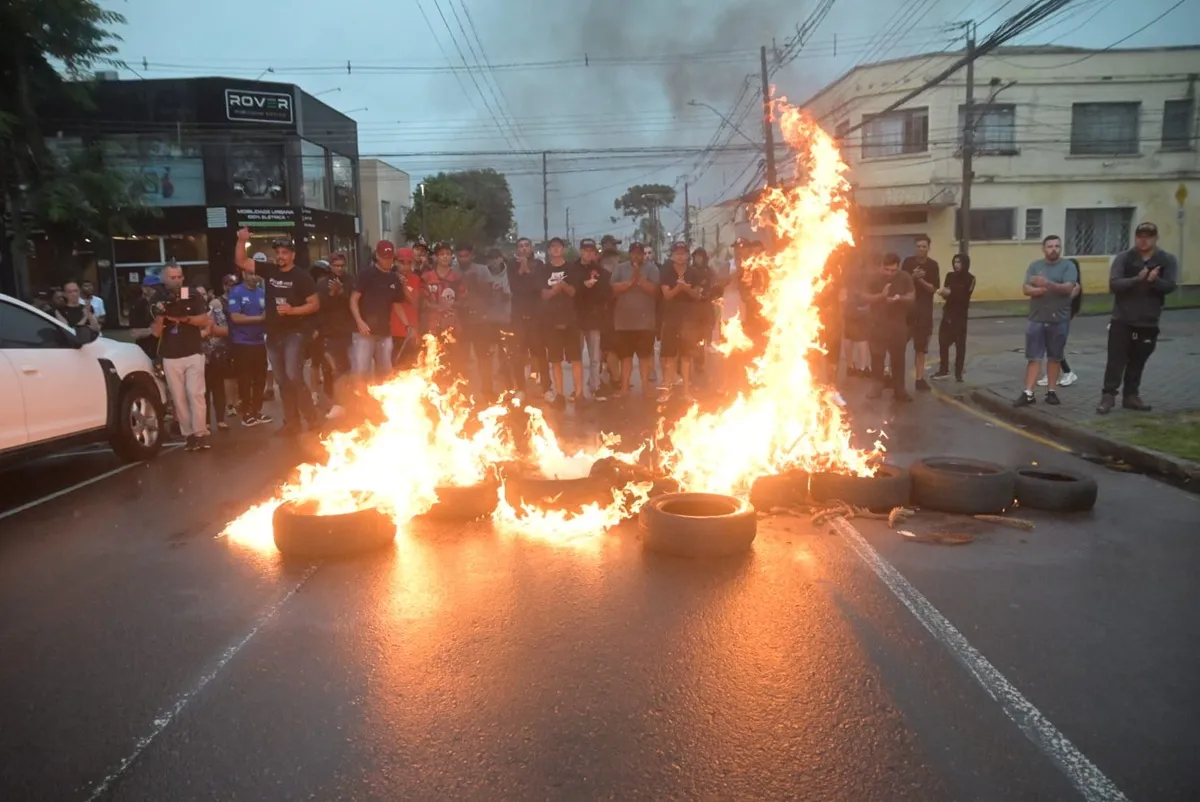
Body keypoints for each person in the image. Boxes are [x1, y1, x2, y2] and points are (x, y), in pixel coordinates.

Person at [232, 229, 321, 435]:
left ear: (293, 255)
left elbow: (314, 304)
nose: (280, 256)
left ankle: (312, 418)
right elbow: (242, 262)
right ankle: (291, 423)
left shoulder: (302, 276)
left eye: (285, 252)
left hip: (295, 333)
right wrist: (241, 240)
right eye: (278, 252)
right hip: (273, 334)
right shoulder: (270, 270)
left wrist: (293, 310)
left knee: (293, 375)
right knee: (282, 380)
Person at [1096, 221, 1179, 414]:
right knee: (1116, 360)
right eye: (1140, 236)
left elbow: (1170, 286)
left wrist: (1154, 281)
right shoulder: (1125, 258)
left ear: (1156, 238)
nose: (1144, 240)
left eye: (1148, 237)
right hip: (1122, 319)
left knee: (1138, 360)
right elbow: (1115, 284)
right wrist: (1137, 279)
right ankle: (1108, 396)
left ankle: (1131, 396)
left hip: (1148, 320)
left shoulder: (1166, 259)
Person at [153, 262, 211, 450]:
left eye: (179, 277)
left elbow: (204, 319)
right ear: (164, 278)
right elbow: (155, 332)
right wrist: (161, 315)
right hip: (170, 354)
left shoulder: (191, 294)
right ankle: (189, 435)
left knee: (196, 393)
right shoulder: (158, 297)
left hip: (193, 350)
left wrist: (184, 319)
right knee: (179, 398)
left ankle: (201, 432)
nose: (177, 281)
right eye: (172, 277)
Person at [1015, 235, 1077, 408]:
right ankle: (1028, 392)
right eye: (1050, 246)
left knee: (1055, 357)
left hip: (1059, 319)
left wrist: (1047, 284)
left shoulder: (1068, 266)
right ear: (1043, 249)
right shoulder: (1035, 266)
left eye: (1057, 246)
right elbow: (1026, 288)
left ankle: (1051, 391)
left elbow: (1068, 288)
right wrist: (1037, 290)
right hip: (1037, 318)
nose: (1053, 249)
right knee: (1034, 356)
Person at [536, 236, 583, 405]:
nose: (556, 249)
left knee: (576, 358)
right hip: (551, 321)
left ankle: (579, 394)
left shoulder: (571, 268)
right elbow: (544, 294)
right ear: (549, 250)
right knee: (555, 360)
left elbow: (574, 292)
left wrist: (564, 287)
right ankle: (560, 394)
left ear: (563, 249)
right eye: (553, 246)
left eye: (559, 246)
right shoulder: (543, 270)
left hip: (571, 320)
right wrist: (557, 288)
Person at [610, 242, 659, 397]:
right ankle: (624, 388)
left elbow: (655, 290)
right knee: (625, 357)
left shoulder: (652, 268)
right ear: (629, 254)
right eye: (634, 253)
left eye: (639, 253)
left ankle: (645, 387)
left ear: (643, 254)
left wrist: (639, 280)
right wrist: (630, 282)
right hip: (624, 322)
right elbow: (612, 288)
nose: (636, 256)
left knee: (644, 357)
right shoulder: (620, 268)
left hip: (645, 322)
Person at [350, 240, 405, 379]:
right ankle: (358, 393)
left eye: (390, 258)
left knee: (386, 371)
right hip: (364, 332)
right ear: (377, 256)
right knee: (361, 371)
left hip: (384, 332)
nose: (388, 261)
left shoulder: (394, 278)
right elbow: (353, 299)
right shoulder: (366, 274)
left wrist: (407, 324)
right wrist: (359, 321)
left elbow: (397, 304)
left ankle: (382, 393)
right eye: (384, 257)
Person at [865, 253, 915, 402]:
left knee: (898, 359)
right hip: (877, 324)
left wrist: (900, 298)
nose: (889, 273)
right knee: (877, 357)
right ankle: (876, 388)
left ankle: (899, 390)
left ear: (898, 267)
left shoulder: (905, 277)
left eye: (893, 270)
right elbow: (864, 296)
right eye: (886, 270)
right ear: (881, 266)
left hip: (897, 325)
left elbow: (912, 296)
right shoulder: (873, 278)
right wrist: (881, 296)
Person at [658, 241, 703, 403]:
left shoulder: (694, 273)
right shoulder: (666, 271)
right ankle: (666, 390)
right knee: (669, 357)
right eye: (677, 253)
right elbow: (667, 295)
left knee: (686, 357)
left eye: (683, 253)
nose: (680, 256)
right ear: (672, 255)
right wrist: (679, 288)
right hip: (671, 318)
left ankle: (686, 391)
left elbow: (697, 295)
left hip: (689, 319)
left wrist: (686, 289)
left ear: (688, 255)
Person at [227, 270, 272, 426]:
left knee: (260, 378)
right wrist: (259, 318)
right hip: (242, 342)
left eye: (256, 274)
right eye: (251, 274)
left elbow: (268, 314)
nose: (254, 277)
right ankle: (246, 413)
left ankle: (257, 411)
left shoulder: (262, 292)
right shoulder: (236, 292)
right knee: (245, 379)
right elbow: (235, 317)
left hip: (259, 341)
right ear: (244, 274)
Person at [315, 252, 355, 416]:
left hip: (347, 331)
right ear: (330, 266)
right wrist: (332, 294)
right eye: (336, 266)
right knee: (330, 369)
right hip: (329, 332)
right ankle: (331, 403)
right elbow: (319, 306)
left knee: (346, 369)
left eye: (342, 266)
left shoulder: (350, 280)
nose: (339, 269)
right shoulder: (322, 283)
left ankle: (344, 402)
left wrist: (341, 292)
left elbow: (354, 302)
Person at [473, 247, 516, 397]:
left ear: (501, 258)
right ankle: (487, 388)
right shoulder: (483, 274)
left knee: (506, 356)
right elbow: (478, 296)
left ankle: (509, 389)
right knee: (486, 356)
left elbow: (515, 294)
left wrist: (505, 293)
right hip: (487, 321)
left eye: (496, 258)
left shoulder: (510, 273)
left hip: (506, 320)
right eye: (490, 259)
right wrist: (490, 292)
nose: (493, 262)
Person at [901, 234, 940, 391]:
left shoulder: (933, 266)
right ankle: (894, 377)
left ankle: (919, 379)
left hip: (924, 312)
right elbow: (901, 284)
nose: (921, 249)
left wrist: (920, 280)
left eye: (924, 246)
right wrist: (912, 276)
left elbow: (933, 289)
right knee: (899, 345)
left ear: (928, 248)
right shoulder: (908, 262)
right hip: (907, 312)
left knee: (921, 348)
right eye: (918, 246)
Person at [574, 238, 612, 400]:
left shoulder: (600, 271)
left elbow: (607, 292)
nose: (588, 254)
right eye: (586, 251)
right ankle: (578, 389)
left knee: (595, 356)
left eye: (591, 251)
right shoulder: (573, 268)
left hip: (594, 317)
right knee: (576, 357)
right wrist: (584, 286)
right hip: (577, 317)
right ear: (581, 251)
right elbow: (570, 291)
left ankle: (595, 385)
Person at [509, 237, 548, 394]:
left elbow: (538, 285)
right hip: (518, 315)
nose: (524, 248)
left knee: (540, 352)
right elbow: (513, 286)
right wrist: (521, 269)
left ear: (531, 248)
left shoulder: (539, 264)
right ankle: (521, 389)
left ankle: (546, 387)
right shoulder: (511, 265)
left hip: (535, 315)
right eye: (521, 246)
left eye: (526, 245)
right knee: (518, 353)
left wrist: (527, 271)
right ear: (517, 249)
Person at [422, 241, 468, 372]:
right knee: (431, 362)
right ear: (436, 257)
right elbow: (423, 302)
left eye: (448, 254)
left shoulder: (457, 277)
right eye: (441, 254)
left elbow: (463, 301)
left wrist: (451, 306)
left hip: (452, 324)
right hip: (432, 325)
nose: (445, 257)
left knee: (454, 362)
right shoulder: (427, 277)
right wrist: (438, 307)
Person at [1038, 257, 1081, 388]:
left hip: (1061, 318)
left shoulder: (1075, 286)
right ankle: (1052, 374)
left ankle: (1068, 373)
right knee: (1050, 346)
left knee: (1055, 347)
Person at [933, 252, 976, 383]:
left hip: (960, 315)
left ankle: (959, 372)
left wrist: (951, 293)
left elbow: (965, 296)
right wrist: (943, 293)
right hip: (948, 313)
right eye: (955, 262)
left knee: (960, 345)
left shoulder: (970, 279)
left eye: (959, 262)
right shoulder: (950, 276)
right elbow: (946, 292)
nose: (957, 265)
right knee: (943, 342)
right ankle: (943, 369)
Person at [202, 287, 233, 431]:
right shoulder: (191, 311)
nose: (202, 296)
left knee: (218, 387)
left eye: (204, 293)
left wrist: (211, 327)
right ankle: (206, 421)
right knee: (203, 390)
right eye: (199, 294)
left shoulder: (215, 308)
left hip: (216, 353)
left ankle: (221, 419)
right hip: (199, 355)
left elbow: (224, 328)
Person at [391, 247, 423, 368]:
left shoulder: (416, 279)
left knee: (410, 367)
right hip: (392, 330)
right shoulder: (389, 278)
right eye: (402, 262)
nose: (405, 266)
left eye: (409, 263)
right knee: (394, 367)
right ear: (396, 262)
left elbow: (415, 303)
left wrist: (404, 287)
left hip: (410, 331)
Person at [129, 275, 164, 361]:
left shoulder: (164, 302)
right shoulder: (138, 305)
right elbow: (134, 333)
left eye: (158, 287)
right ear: (144, 288)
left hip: (164, 351)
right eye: (153, 287)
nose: (156, 290)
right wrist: (153, 330)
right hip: (146, 352)